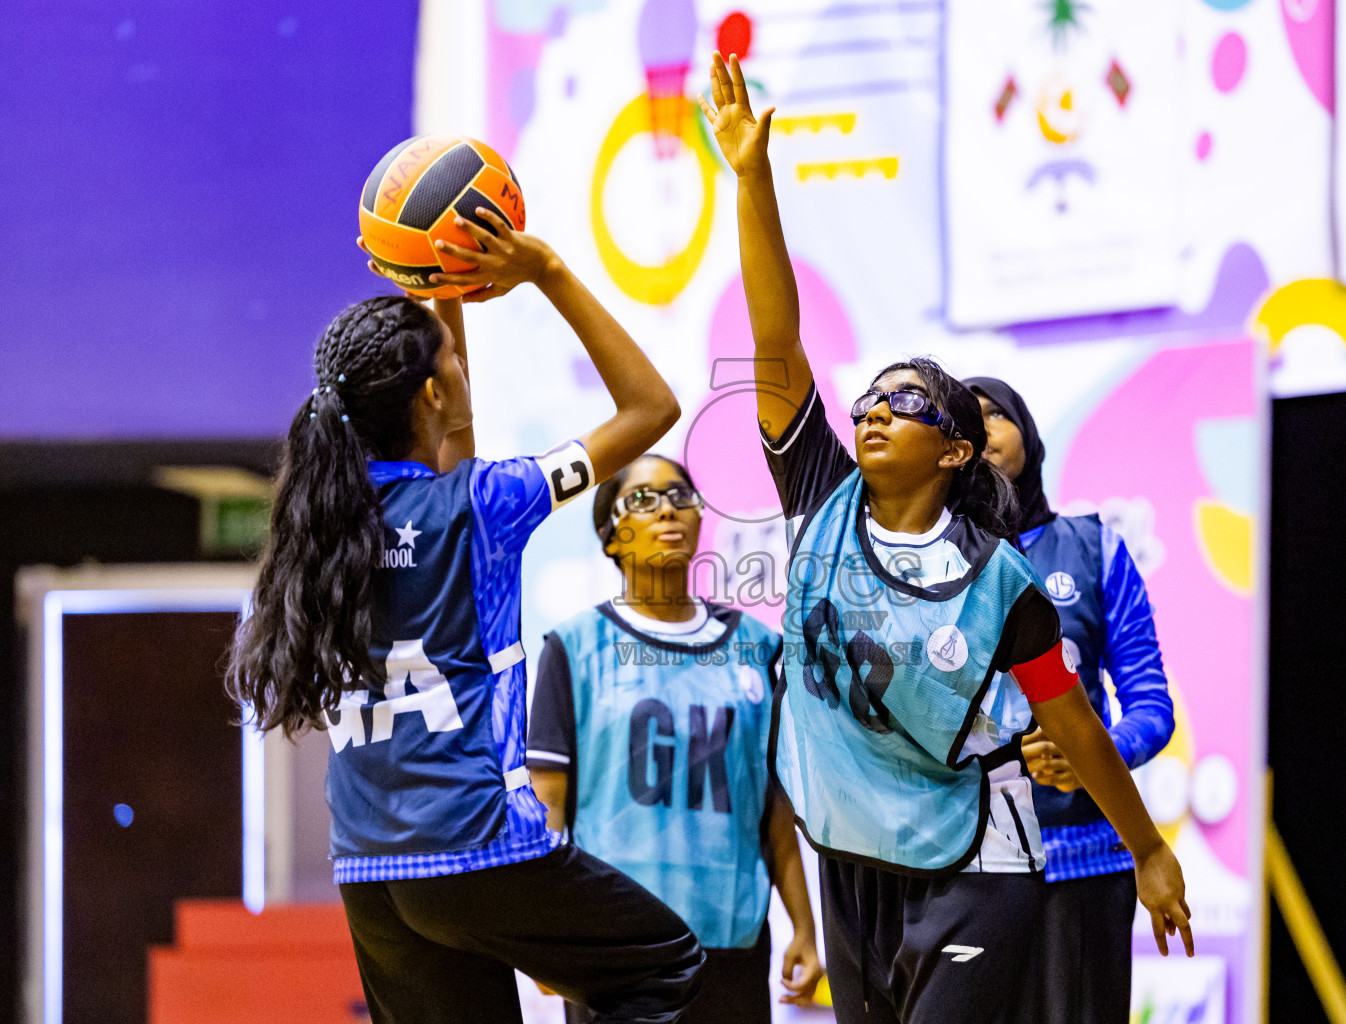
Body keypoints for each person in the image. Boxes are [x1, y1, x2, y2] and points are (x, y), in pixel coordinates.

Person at [700, 52, 1193, 1024]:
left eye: (908, 401)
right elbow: (776, 339)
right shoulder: (822, 500)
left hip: (979, 863)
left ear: (959, 449)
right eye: (872, 396)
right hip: (856, 868)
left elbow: (1076, 722)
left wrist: (1147, 848)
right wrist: (753, 179)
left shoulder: (1002, 576)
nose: (876, 410)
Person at [226, 208, 706, 1024]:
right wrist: (546, 269)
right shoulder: (482, 503)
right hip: (477, 841)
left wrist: (442, 298)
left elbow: (452, 446)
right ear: (435, 392)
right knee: (666, 969)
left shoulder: (323, 523)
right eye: (453, 362)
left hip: (373, 868)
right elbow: (651, 407)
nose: (462, 368)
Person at [527, 454, 825, 1023]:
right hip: (613, 948)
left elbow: (775, 807)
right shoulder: (574, 646)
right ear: (610, 539)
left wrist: (804, 927)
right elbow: (549, 810)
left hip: (731, 942)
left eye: (680, 496)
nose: (667, 508)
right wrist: (547, 937)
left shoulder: (758, 647)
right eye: (642, 499)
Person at [967, 376, 1176, 1024]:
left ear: (1027, 433)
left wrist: (1097, 752)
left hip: (1084, 864)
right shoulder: (927, 568)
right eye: (961, 423)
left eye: (992, 416)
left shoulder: (1097, 549)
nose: (980, 433)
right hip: (960, 873)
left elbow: (1151, 704)